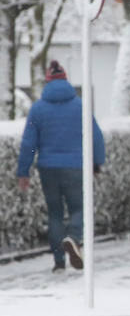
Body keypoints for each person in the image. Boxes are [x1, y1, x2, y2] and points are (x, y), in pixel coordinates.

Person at [16, 61, 105, 273]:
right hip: (76, 167)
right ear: (66, 80)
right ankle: (73, 238)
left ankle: (58, 262)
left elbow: (29, 143)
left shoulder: (38, 108)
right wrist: (97, 163)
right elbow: (96, 136)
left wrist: (23, 171)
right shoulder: (79, 106)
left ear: (47, 81)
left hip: (48, 168)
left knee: (55, 213)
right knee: (80, 208)